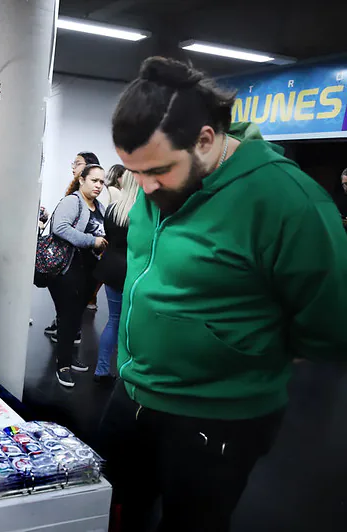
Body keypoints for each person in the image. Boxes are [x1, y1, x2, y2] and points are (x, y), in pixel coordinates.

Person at [98, 56, 347, 532]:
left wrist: (234, 351)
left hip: (216, 420)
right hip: (132, 395)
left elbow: (330, 324)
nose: (145, 188)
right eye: (135, 172)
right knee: (109, 516)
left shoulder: (288, 201)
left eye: (158, 171)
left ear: (206, 139)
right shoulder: (158, 187)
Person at [45, 164, 107, 387]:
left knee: (75, 318)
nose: (99, 185)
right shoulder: (73, 201)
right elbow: (60, 228)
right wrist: (92, 241)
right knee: (68, 317)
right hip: (67, 268)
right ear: (82, 180)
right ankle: (62, 365)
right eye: (94, 180)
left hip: (88, 270)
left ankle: (69, 358)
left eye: (102, 182)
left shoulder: (98, 206)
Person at [91, 170, 137, 385]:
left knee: (114, 320)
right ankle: (125, 372)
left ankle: (101, 369)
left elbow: (108, 238)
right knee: (131, 325)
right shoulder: (142, 213)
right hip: (132, 272)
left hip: (110, 269)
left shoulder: (111, 210)